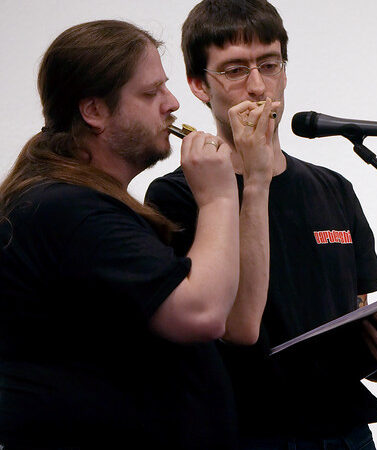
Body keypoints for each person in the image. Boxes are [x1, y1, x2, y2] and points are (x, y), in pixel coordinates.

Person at [144, 1, 377, 448]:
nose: (258, 87)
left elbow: (351, 330)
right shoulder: (176, 195)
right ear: (198, 86)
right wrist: (251, 179)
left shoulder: (333, 188)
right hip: (248, 434)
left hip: (346, 432)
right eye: (234, 70)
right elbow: (228, 332)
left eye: (269, 65)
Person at [0, 20, 240, 448]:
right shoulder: (70, 209)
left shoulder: (67, 199)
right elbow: (200, 315)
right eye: (150, 94)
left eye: (165, 88)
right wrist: (219, 198)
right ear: (94, 111)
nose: (171, 104)